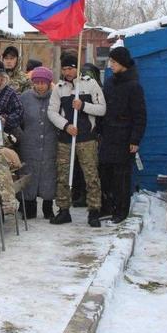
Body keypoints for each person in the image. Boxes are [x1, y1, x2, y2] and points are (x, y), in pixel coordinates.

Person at [47, 52, 107, 227]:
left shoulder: (90, 84)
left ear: (77, 68)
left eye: (71, 68)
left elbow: (102, 109)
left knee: (91, 175)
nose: (67, 72)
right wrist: (66, 125)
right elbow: (52, 112)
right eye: (64, 68)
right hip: (66, 138)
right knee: (63, 175)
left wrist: (83, 106)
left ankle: (94, 210)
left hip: (87, 138)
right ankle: (63, 209)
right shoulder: (59, 88)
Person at [99, 47, 147, 223]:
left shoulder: (134, 86)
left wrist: (135, 139)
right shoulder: (110, 82)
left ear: (123, 64)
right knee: (106, 174)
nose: (111, 65)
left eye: (114, 62)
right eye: (110, 62)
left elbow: (140, 116)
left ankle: (121, 211)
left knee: (121, 177)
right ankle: (108, 207)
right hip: (107, 135)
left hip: (124, 137)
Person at [19, 66, 58, 219]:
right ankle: (29, 208)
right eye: (37, 82)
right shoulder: (24, 97)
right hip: (29, 143)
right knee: (29, 174)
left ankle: (48, 208)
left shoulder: (55, 97)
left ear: (49, 83)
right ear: (32, 83)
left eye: (44, 82)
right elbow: (18, 119)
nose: (40, 85)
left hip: (50, 142)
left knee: (49, 175)